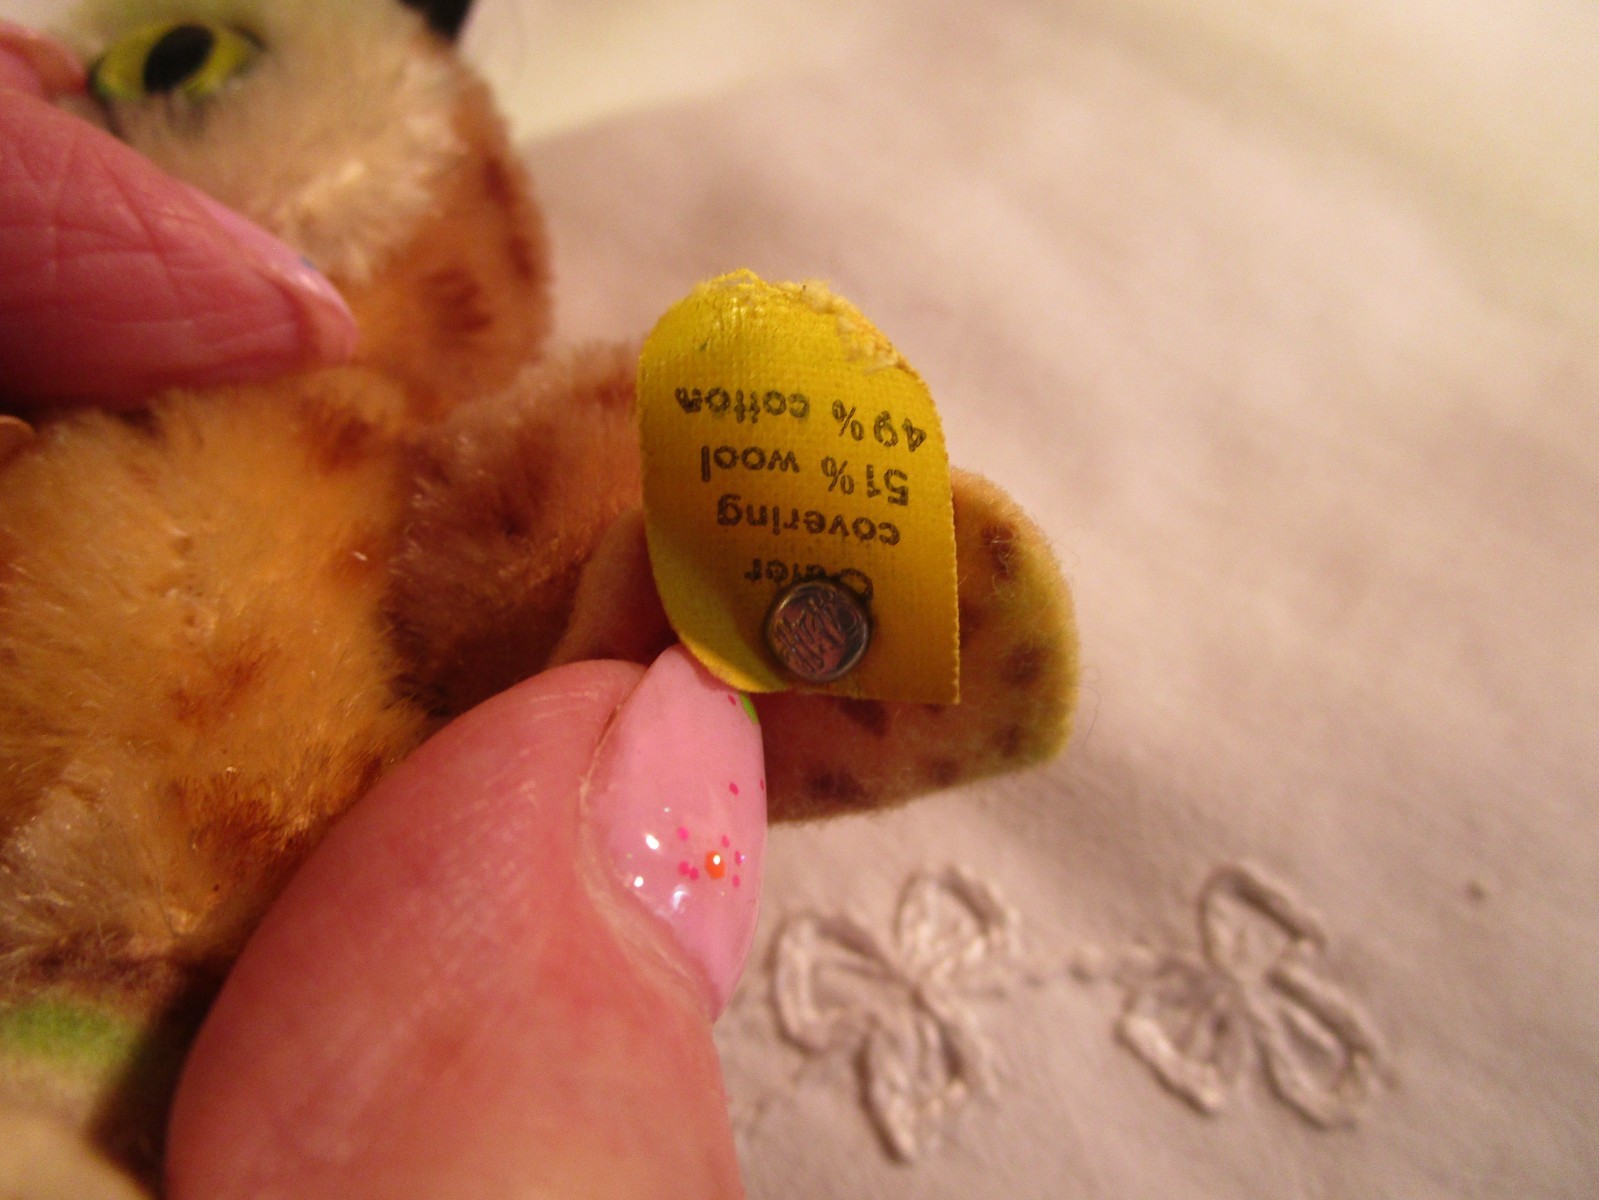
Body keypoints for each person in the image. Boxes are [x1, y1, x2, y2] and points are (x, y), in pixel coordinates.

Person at [1, 23, 760, 1198]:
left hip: (228, 1012)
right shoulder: (64, 403)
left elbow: (554, 560)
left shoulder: (408, 466)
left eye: (182, 57)